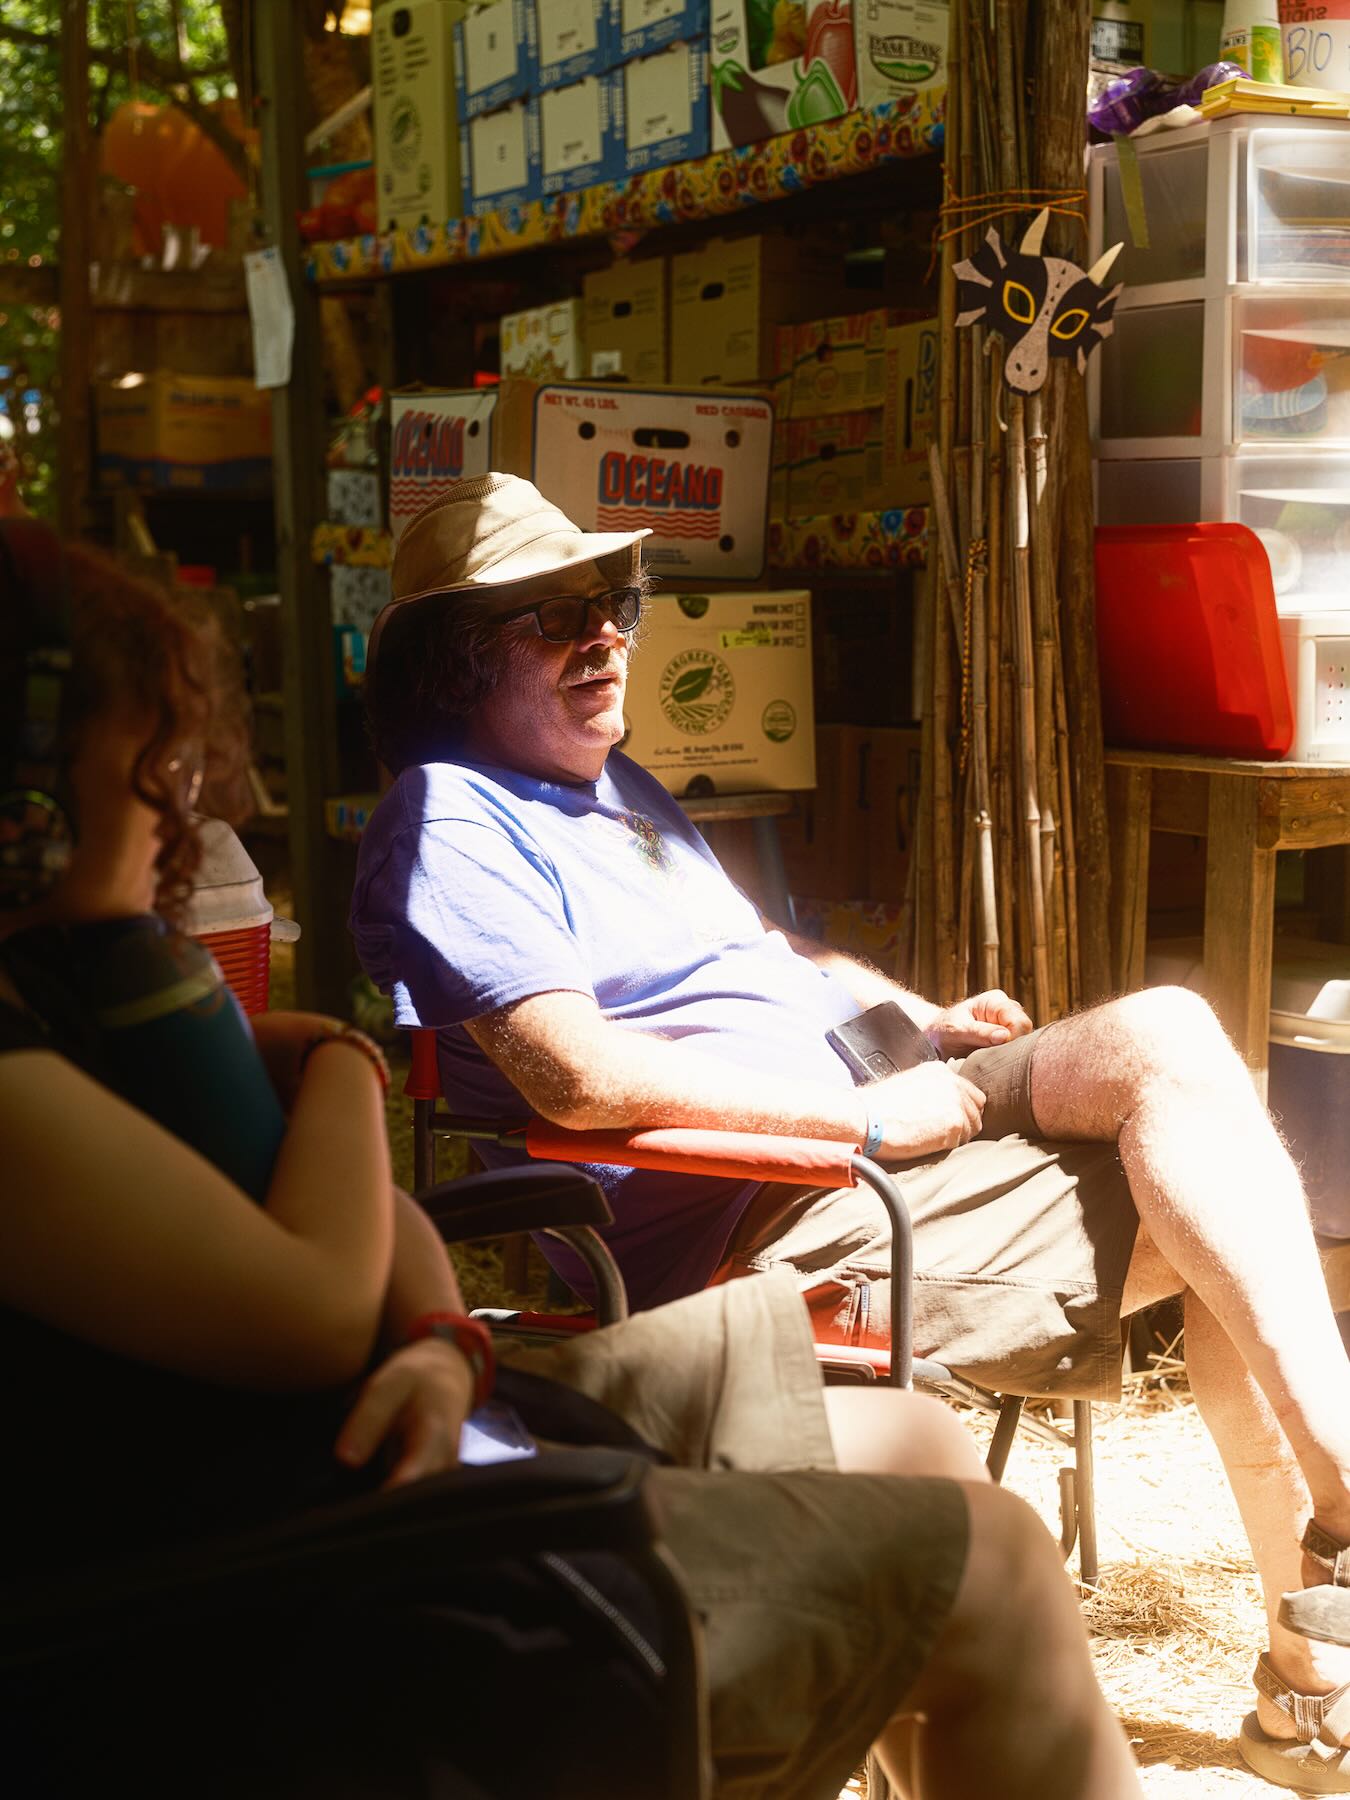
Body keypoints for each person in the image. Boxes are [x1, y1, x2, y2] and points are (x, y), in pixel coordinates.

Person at [0, 518, 1143, 1798]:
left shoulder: (86, 1004)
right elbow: (315, 1309)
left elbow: (388, 1230)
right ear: (21, 808)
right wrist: (339, 1062)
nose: (195, 811)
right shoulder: (25, 1075)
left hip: (422, 1436)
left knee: (924, 1443)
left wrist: (444, 1338)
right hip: (322, 1580)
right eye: (153, 767)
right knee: (997, 1563)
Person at [353, 470, 1350, 1793]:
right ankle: (1328, 1619)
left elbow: (767, 958)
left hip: (869, 1138)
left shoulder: (615, 791)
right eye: (552, 618)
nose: (604, 636)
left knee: (1197, 1120)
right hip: (771, 1214)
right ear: (453, 664)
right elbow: (576, 1080)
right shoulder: (450, 816)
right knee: (1214, 1180)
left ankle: (1326, 1608)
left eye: (612, 605)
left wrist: (915, 1019)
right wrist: (866, 1111)